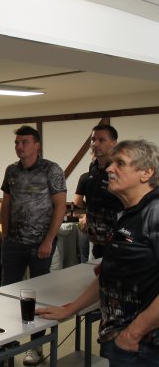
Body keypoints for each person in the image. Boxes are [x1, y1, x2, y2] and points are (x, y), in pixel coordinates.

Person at [38, 140, 159, 366]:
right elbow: (109, 275)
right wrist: (70, 310)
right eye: (111, 163)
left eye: (120, 163)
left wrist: (133, 333)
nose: (109, 169)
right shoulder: (128, 215)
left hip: (143, 347)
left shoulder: (155, 212)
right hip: (123, 340)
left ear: (146, 173)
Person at [0, 125, 67, 365]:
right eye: (17, 143)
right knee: (7, 294)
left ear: (36, 145)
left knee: (38, 296)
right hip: (14, 243)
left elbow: (60, 205)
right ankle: (6, 342)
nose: (19, 146)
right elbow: (6, 204)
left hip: (40, 244)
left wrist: (48, 240)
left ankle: (36, 346)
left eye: (24, 142)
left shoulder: (51, 169)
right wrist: (5, 234)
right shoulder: (11, 171)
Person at [83, 124, 123, 259]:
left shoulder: (121, 167)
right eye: (93, 139)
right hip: (97, 237)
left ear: (114, 143)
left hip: (117, 238)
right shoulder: (93, 166)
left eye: (102, 140)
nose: (95, 144)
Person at [73, 172, 90, 263]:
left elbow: (77, 201)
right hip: (112, 222)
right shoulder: (115, 175)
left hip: (88, 221)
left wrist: (88, 209)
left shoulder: (85, 177)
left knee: (85, 260)